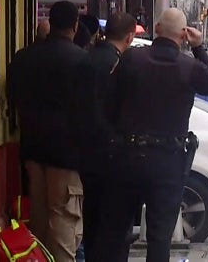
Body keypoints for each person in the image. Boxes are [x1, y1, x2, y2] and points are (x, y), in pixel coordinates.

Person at [95, 8, 208, 261]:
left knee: (117, 232)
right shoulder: (190, 67)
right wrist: (198, 48)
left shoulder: (131, 59)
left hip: (128, 157)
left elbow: (109, 101)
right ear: (184, 34)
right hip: (168, 162)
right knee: (160, 237)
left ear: (157, 27)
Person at [7, 1, 86, 262]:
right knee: (64, 220)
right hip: (66, 155)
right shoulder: (81, 61)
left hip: (31, 149)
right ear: (75, 25)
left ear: (50, 23)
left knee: (38, 222)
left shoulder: (23, 58)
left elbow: (13, 98)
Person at [75, 13, 137, 262]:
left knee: (92, 223)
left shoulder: (85, 60)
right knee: (114, 229)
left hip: (85, 154)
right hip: (113, 156)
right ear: (130, 36)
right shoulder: (120, 65)